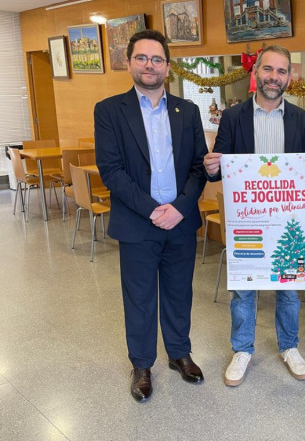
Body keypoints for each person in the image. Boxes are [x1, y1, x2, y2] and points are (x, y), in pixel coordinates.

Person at [203, 45, 305, 387]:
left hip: (289, 219)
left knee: (289, 289)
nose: (274, 77)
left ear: (290, 77)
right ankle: (242, 349)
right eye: (268, 69)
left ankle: (289, 346)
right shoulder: (232, 118)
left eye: (282, 71)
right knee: (245, 289)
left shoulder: (303, 120)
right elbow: (221, 172)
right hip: (248, 219)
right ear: (256, 73)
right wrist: (211, 167)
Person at [94, 29, 208, 401]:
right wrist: (153, 210)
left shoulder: (188, 111)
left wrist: (177, 209)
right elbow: (111, 170)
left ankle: (179, 354)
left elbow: (198, 167)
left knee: (179, 292)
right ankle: (142, 364)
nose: (149, 65)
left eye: (157, 59)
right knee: (140, 297)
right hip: (137, 222)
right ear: (129, 63)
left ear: (168, 67)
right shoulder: (110, 110)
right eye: (141, 58)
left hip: (180, 222)